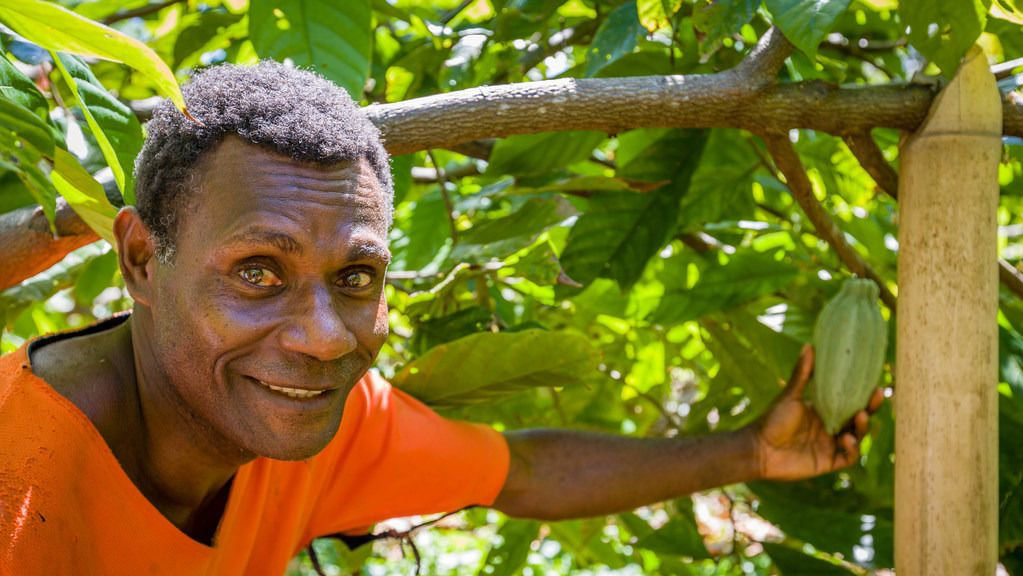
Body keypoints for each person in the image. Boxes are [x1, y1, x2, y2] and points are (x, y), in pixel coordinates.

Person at [0, 61, 877, 576]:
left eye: (355, 276)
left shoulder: (303, 414)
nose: (323, 336)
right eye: (258, 271)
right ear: (142, 261)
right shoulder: (19, 477)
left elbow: (521, 471)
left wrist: (747, 452)